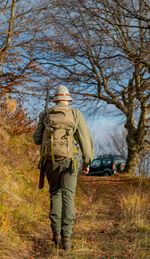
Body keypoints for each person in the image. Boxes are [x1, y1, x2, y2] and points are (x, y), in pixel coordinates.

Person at [33, 85, 94, 251]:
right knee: (68, 195)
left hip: (49, 163)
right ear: (68, 99)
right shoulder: (75, 114)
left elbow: (37, 139)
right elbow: (85, 141)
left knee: (55, 194)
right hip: (69, 163)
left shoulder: (46, 114)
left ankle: (56, 235)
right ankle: (67, 237)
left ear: (55, 99)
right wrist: (87, 162)